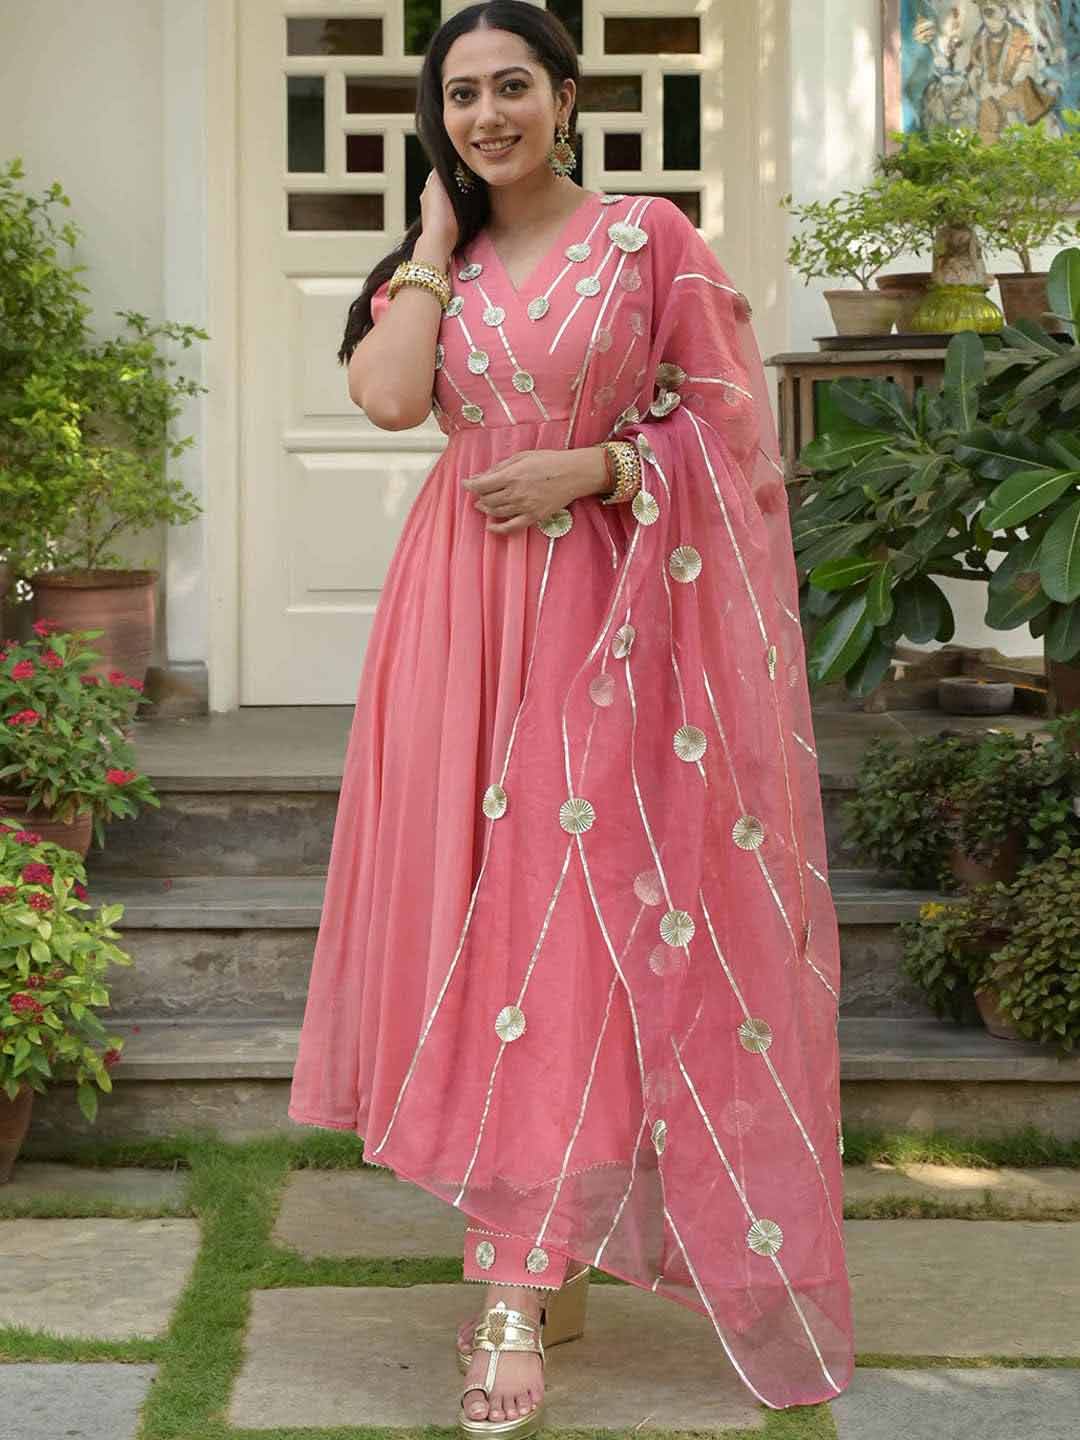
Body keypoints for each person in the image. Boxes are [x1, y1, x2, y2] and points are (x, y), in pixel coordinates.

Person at [287, 2, 853, 1433]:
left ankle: (512, 1289)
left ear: (566, 94)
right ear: (438, 121)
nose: (487, 115)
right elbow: (390, 400)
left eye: (512, 87)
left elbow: (736, 427)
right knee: (476, 925)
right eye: (460, 96)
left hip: (612, 621)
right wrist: (429, 243)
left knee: (570, 925)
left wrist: (599, 467)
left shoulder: (647, 240)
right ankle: (538, 1242)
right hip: (457, 623)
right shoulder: (438, 267)